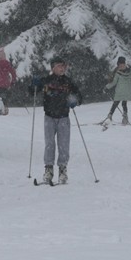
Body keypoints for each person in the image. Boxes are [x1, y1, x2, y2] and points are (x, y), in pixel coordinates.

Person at [31, 56, 81, 184]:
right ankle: (48, 170)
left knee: (63, 144)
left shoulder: (68, 82)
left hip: (64, 117)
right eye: (59, 66)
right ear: (53, 68)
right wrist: (34, 84)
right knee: (49, 144)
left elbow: (79, 95)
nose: (62, 68)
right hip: (49, 117)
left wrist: (75, 100)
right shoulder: (46, 81)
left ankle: (63, 170)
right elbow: (32, 92)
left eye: (63, 66)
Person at [104, 57, 131, 125]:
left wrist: (106, 87)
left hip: (122, 91)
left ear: (125, 64)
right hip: (124, 91)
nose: (121, 66)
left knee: (117, 104)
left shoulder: (125, 72)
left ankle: (110, 117)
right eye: (120, 65)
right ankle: (124, 118)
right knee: (122, 104)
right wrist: (107, 87)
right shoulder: (128, 72)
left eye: (122, 64)